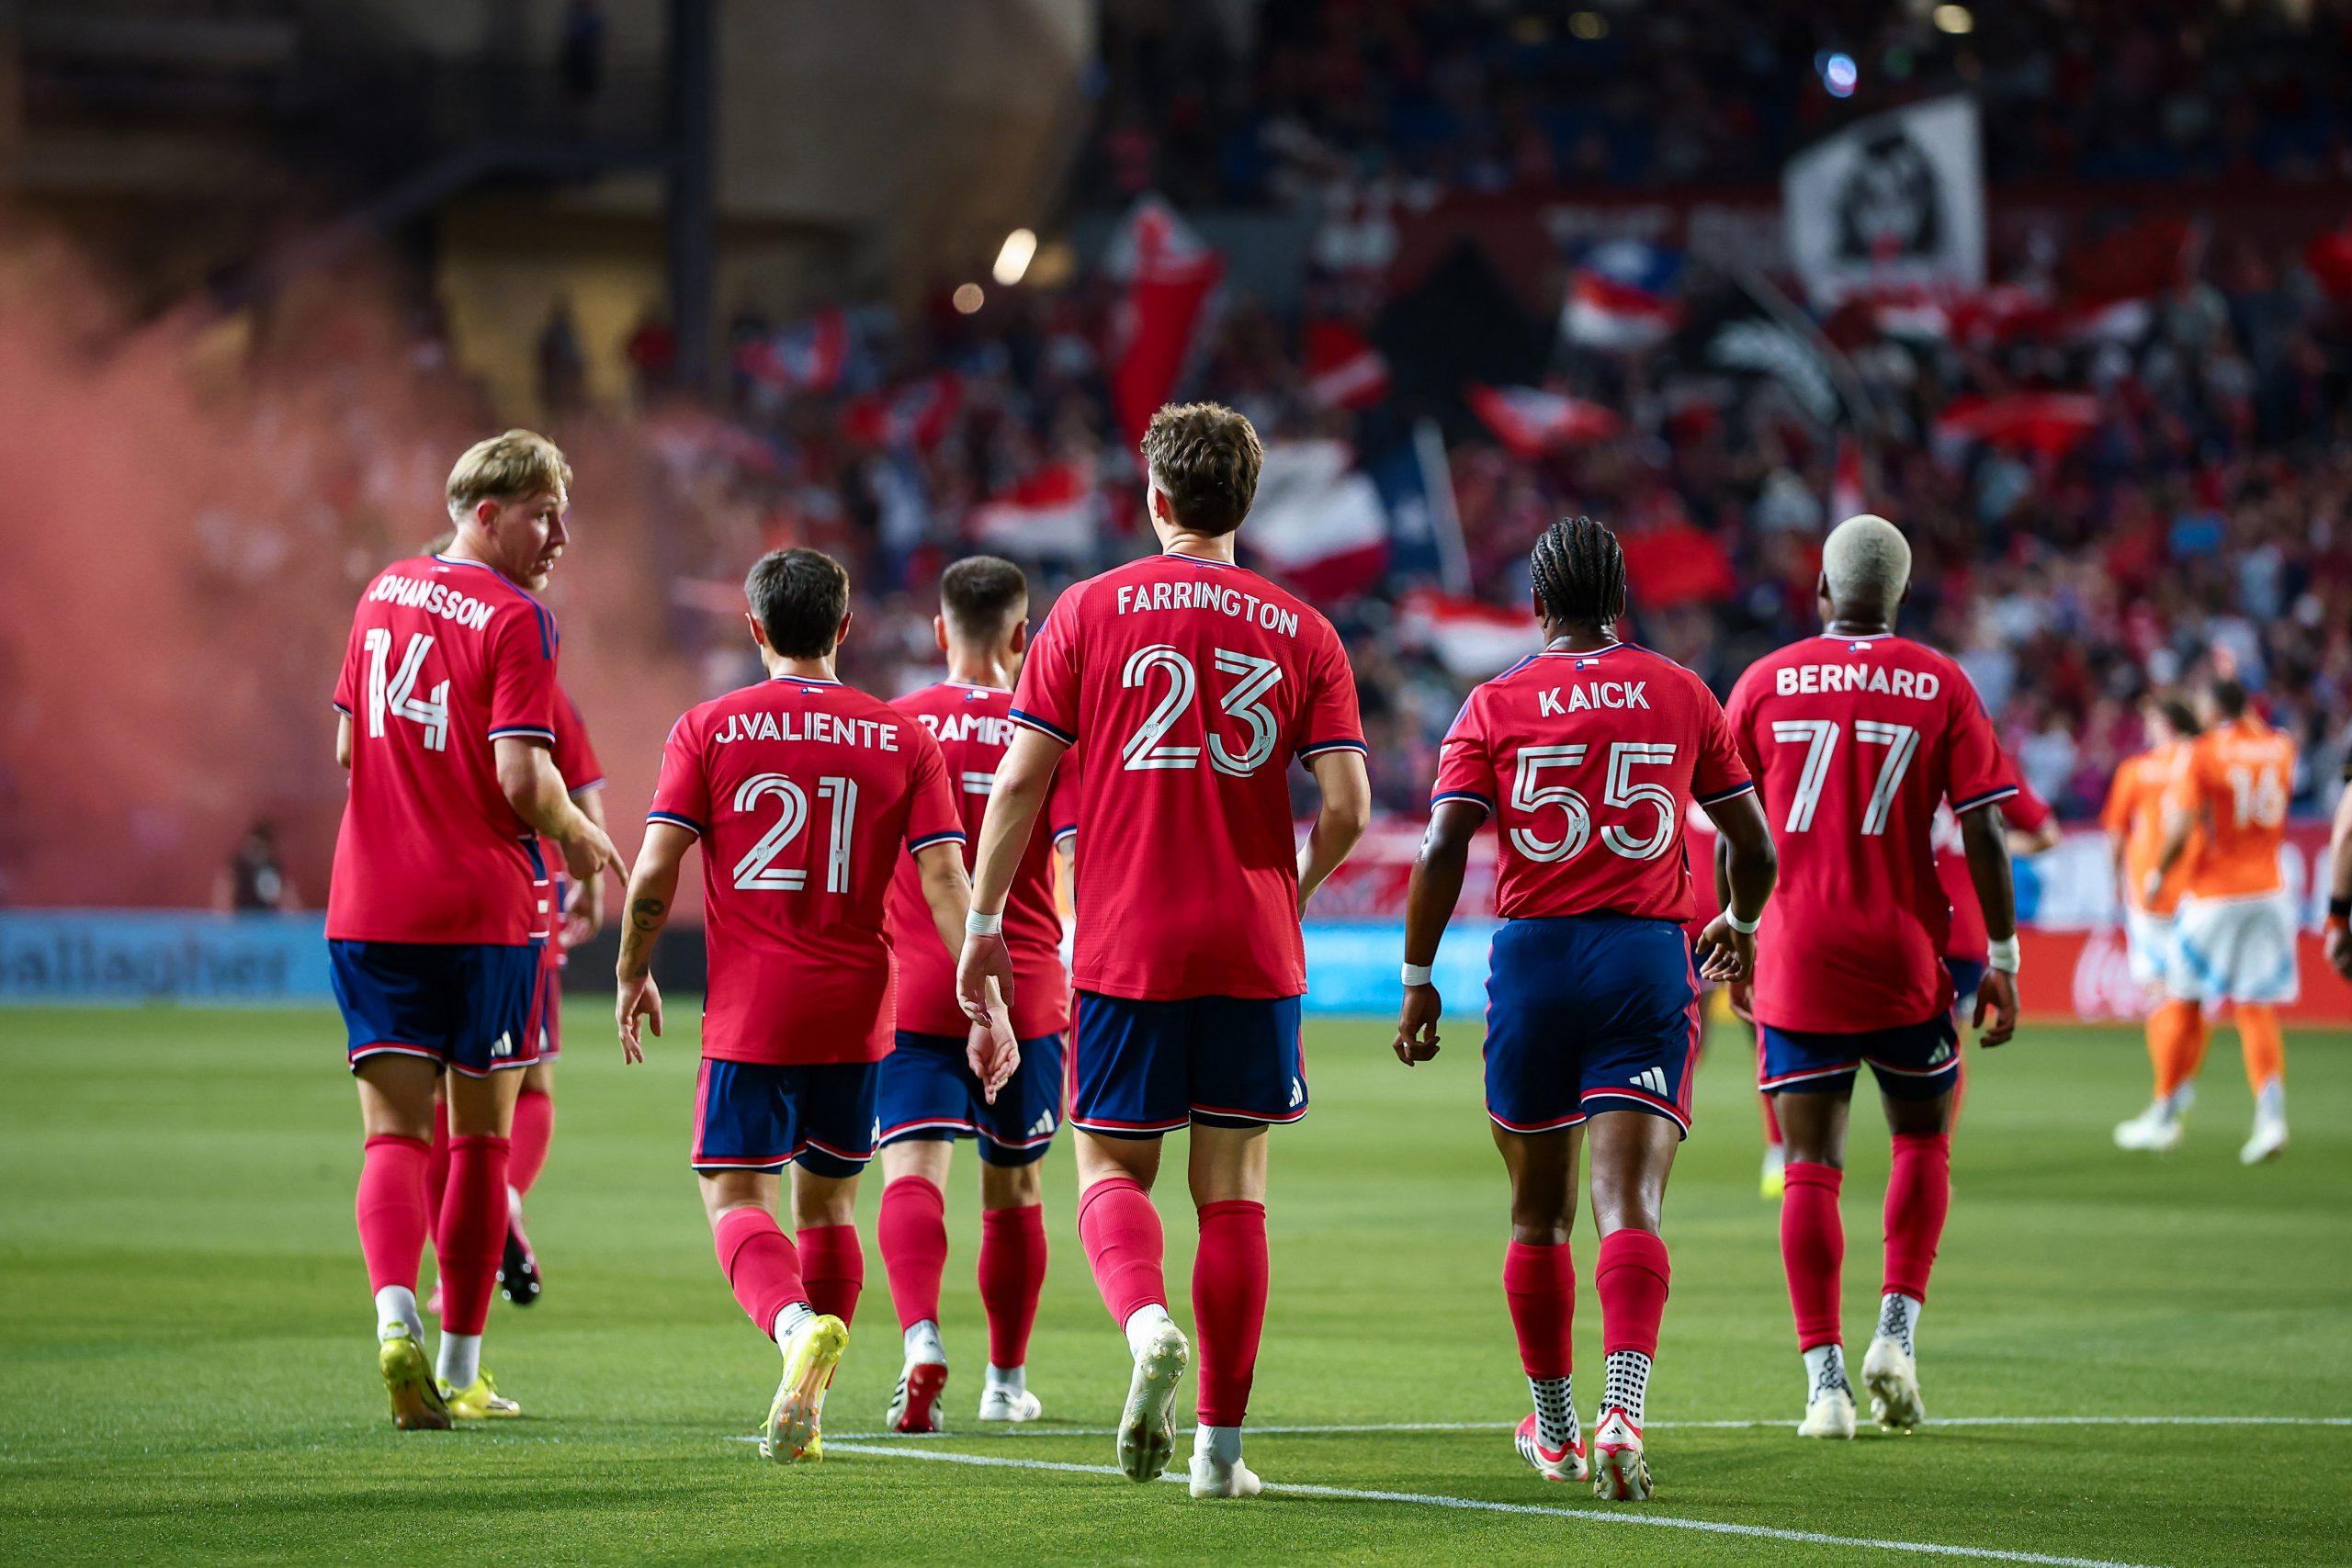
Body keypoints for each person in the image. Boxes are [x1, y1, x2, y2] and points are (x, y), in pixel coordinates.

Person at [955, 401, 1373, 1498]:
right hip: (1249, 942)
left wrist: (987, 923)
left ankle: (1146, 1328)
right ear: (1245, 503)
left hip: (1126, 941)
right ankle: (1220, 1455)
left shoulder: (1087, 612)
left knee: (1108, 1166)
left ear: (1155, 499)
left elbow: (1018, 783)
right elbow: (1347, 804)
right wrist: (1291, 884)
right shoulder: (1304, 629)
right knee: (1232, 1190)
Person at [1392, 517, 1777, 1501]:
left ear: (1534, 603)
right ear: (1620, 600)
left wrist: (1417, 974)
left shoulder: (1493, 701)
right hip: (1644, 957)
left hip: (1531, 962)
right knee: (1629, 1205)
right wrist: (1734, 916)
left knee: (1535, 1215)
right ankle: (1623, 1411)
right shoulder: (1679, 691)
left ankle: (1555, 1430)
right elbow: (1754, 843)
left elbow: (1441, 851)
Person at [613, 547, 1014, 1464]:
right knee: (828, 1211)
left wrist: (635, 965)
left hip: (753, 1013)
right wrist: (983, 999)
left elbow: (653, 871)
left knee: (735, 1195)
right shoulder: (902, 739)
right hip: (860, 1014)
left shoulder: (707, 729)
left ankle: (795, 1330)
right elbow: (949, 882)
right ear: (843, 628)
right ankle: (814, 1398)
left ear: (754, 629)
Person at [328, 430, 621, 1429]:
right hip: (480, 912)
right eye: (543, 514)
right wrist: (583, 841)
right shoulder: (517, 619)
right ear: (485, 514)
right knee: (480, 1141)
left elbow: (343, 743)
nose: (560, 536)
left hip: (367, 907)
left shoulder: (381, 591)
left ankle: (392, 1319)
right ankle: (458, 1367)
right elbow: (520, 778)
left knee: (393, 1138)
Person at [1723, 513, 2021, 1441]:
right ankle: (1895, 1333)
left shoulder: (1764, 682)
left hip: (1798, 954)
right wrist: (2003, 959)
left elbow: (1734, 826)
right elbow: (1984, 827)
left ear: (1819, 591)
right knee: (1921, 1142)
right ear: (1898, 595)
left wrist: (1734, 925)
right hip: (1903, 959)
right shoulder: (1939, 682)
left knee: (1809, 1165)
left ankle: (1823, 1387)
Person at [876, 557, 1078, 1433]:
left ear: (939, 632)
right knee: (1015, 1189)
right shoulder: (1045, 734)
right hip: (1024, 986)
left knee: (914, 1171)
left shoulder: (895, 727)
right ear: (1022, 636)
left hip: (915, 987)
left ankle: (921, 1339)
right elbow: (1075, 855)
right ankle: (1005, 1380)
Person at [2148, 678, 2297, 1164]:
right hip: (2270, 888)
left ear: (2217, 707)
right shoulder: (2282, 746)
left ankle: (2164, 1112)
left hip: (2215, 892)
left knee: (2184, 1000)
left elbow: (2185, 824)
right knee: (2255, 1007)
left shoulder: (2203, 751)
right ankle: (2270, 1117)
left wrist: (2158, 872)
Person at [2107, 695, 2205, 1152]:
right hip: (2203, 892)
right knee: (2193, 999)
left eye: (2149, 719)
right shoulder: (2205, 762)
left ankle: (2163, 1103)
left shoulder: (2137, 769)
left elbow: (2116, 832)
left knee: (2160, 997)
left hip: (2150, 892)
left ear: (2165, 723)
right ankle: (2181, 1085)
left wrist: (2114, 885)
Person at [216, 820, 300, 913]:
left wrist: (292, 914)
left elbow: (287, 897)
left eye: (260, 847)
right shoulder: (237, 865)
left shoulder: (273, 866)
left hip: (267, 918)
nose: (256, 851)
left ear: (268, 849)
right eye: (254, 845)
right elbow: (224, 894)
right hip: (242, 917)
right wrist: (224, 915)